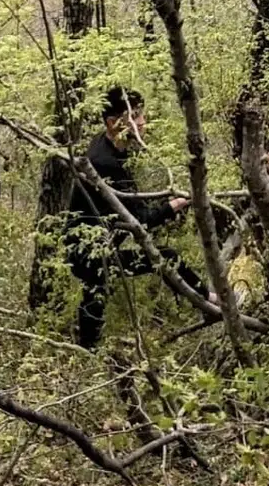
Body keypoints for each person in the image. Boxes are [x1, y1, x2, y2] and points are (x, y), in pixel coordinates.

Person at [64, 86, 215, 349]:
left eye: (141, 114)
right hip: (88, 252)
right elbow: (141, 220)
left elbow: (130, 204)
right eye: (134, 116)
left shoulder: (110, 149)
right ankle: (211, 300)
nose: (142, 122)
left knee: (96, 290)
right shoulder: (105, 163)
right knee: (166, 258)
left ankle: (86, 349)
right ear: (113, 123)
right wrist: (176, 204)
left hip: (89, 245)